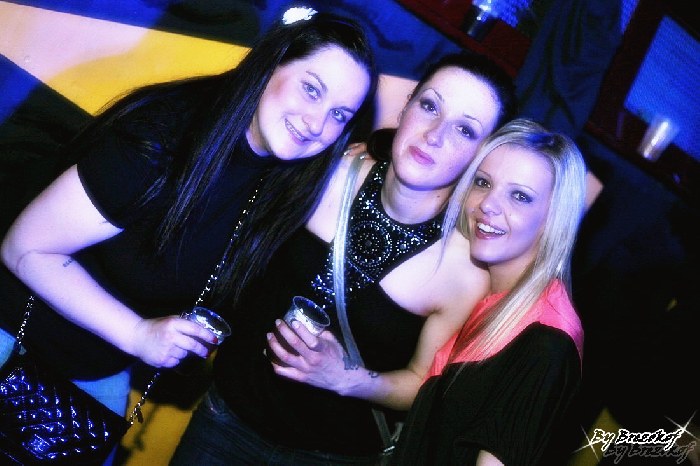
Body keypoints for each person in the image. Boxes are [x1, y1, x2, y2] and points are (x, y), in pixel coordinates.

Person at [0, 4, 376, 453]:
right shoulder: (163, 136)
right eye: (311, 89)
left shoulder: (277, 184)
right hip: (13, 339)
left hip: (95, 369)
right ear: (270, 65)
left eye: (339, 115)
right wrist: (139, 334)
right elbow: (25, 248)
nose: (317, 124)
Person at [170, 51, 518, 465]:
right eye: (429, 106)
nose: (434, 135)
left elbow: (421, 385)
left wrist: (346, 379)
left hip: (334, 457)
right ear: (406, 106)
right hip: (227, 425)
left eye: (464, 129)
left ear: (483, 155)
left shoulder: (464, 272)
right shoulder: (326, 173)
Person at [390, 118, 587, 465]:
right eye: (483, 182)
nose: (488, 205)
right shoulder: (487, 293)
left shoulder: (546, 344)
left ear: (554, 217)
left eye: (520, 196)